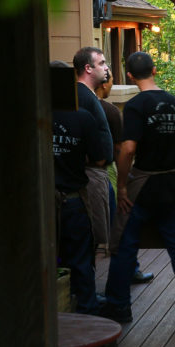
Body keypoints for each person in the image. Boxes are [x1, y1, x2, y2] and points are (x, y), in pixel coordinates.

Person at [101, 52, 175, 323]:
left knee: (125, 243)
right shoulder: (174, 102)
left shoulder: (137, 106)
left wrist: (122, 186)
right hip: (170, 182)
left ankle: (118, 305)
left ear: (130, 75)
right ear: (155, 70)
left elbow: (128, 149)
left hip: (143, 184)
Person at [52, 61, 110, 313]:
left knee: (48, 259)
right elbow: (99, 159)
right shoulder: (83, 118)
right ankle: (86, 310)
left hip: (41, 201)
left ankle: (52, 310)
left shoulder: (32, 116)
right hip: (74, 199)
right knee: (81, 258)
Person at [96, 70, 154, 283]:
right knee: (121, 221)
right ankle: (130, 271)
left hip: (92, 172)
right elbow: (122, 148)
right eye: (111, 80)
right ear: (104, 85)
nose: (112, 84)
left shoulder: (86, 107)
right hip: (109, 169)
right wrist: (123, 182)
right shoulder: (110, 111)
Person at [72, 47, 113, 258]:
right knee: (94, 234)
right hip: (90, 173)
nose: (106, 68)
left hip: (98, 172)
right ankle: (88, 289)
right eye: (102, 63)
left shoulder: (88, 95)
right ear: (88, 68)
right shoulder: (82, 97)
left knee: (102, 230)